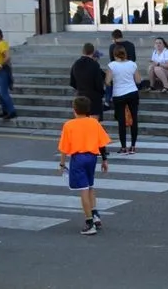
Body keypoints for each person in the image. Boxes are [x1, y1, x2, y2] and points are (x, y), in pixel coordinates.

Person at [57, 96, 111, 236]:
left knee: (83, 190)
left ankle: (89, 222)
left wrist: (62, 163)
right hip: (92, 157)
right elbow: (101, 143)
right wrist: (104, 160)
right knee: (90, 186)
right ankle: (95, 214)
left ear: (74, 109)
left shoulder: (69, 125)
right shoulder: (94, 122)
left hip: (78, 158)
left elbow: (64, 148)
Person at [106, 45, 142, 154]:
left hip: (119, 94)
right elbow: (138, 80)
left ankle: (123, 147)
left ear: (114, 54)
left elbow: (107, 81)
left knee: (121, 121)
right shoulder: (132, 64)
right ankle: (133, 146)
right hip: (132, 92)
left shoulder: (112, 65)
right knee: (134, 119)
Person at [70, 44, 106, 121]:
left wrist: (80, 88)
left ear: (83, 51)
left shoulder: (76, 64)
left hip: (81, 97)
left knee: (81, 122)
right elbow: (98, 83)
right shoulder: (94, 65)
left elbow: (72, 82)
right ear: (93, 52)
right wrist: (102, 92)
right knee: (94, 123)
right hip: (94, 97)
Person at [106, 30, 136, 109]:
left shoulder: (112, 46)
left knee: (109, 81)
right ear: (121, 36)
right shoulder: (131, 45)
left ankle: (107, 101)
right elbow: (134, 58)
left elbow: (112, 60)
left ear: (113, 38)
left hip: (117, 70)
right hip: (130, 69)